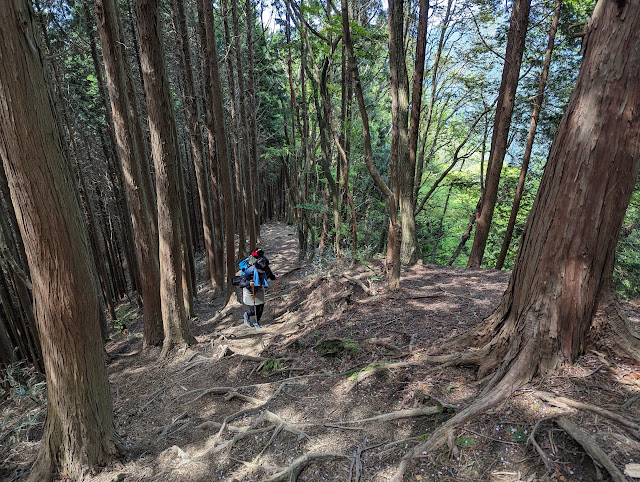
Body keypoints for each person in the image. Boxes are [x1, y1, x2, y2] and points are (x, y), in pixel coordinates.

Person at [239, 256, 277, 329]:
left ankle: (256, 323)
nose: (263, 271)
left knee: (260, 308)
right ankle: (246, 315)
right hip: (249, 291)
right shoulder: (249, 271)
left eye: (264, 269)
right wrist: (249, 283)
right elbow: (241, 284)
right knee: (253, 311)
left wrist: (275, 277)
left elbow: (271, 276)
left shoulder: (265, 269)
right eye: (261, 270)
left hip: (259, 289)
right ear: (257, 267)